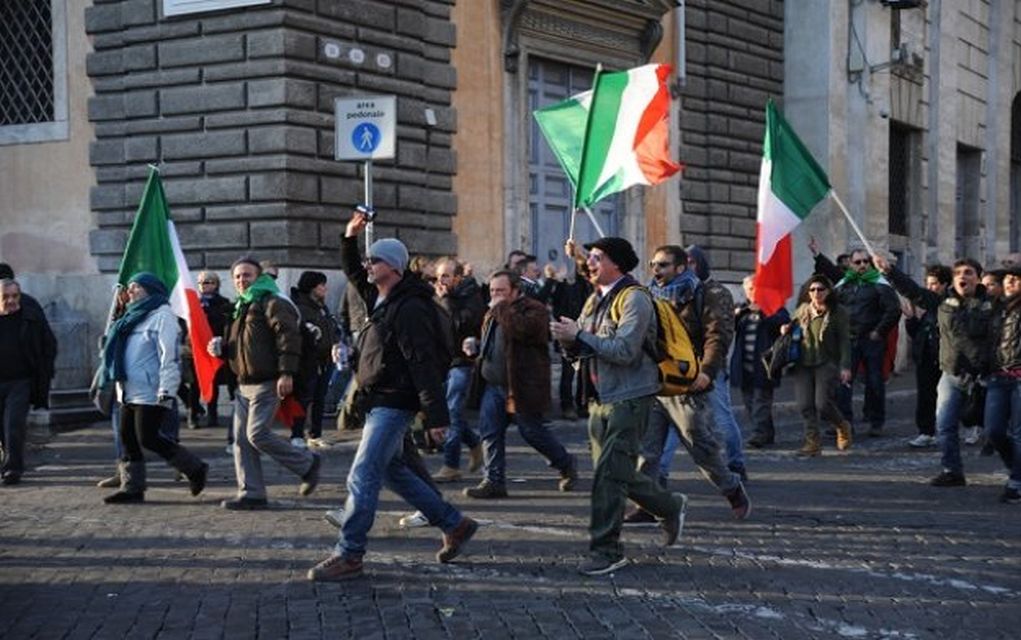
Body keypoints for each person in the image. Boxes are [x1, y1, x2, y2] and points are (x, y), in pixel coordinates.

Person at [308, 210, 478, 582]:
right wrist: (349, 237)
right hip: (379, 398)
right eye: (370, 260)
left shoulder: (410, 307)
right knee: (393, 471)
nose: (369, 265)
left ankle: (350, 553)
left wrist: (436, 417)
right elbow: (354, 271)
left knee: (363, 473)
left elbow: (423, 363)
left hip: (395, 400)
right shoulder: (382, 296)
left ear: (396, 268)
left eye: (377, 260)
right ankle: (455, 524)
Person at [551, 237, 687, 576]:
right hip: (599, 398)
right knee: (614, 472)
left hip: (630, 397)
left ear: (617, 264)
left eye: (597, 258)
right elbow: (584, 350)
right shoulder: (594, 300)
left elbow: (625, 350)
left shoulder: (635, 299)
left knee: (609, 477)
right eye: (591, 257)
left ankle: (606, 550)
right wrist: (568, 341)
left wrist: (579, 336)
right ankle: (670, 505)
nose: (590, 263)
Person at [627, 245, 750, 525]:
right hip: (655, 382)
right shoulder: (648, 295)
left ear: (681, 268)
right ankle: (647, 504)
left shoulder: (710, 293)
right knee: (647, 450)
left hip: (689, 382)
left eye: (663, 265)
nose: (655, 270)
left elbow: (717, 336)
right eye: (653, 264)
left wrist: (706, 372)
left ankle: (731, 487)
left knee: (700, 445)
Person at [873, 253, 997, 486]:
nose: (963, 277)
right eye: (958, 273)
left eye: (968, 273)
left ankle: (1014, 470)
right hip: (950, 374)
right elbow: (913, 291)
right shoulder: (941, 303)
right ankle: (952, 470)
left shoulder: (991, 305)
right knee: (945, 425)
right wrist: (890, 271)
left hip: (983, 377)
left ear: (979, 278)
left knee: (997, 429)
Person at [212, 258, 321, 510]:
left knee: (257, 434)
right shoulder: (241, 306)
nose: (241, 280)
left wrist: (287, 373)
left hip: (268, 381)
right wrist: (220, 347)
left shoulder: (271, 301)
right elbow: (243, 346)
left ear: (259, 276)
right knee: (241, 441)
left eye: (247, 275)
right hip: (243, 384)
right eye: (237, 276)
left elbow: (288, 337)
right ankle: (252, 493)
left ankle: (307, 463)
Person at [463, 270, 578, 499]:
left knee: (532, 432)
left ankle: (565, 463)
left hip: (521, 386)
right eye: (493, 291)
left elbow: (524, 330)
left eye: (501, 291)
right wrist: (475, 344)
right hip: (493, 384)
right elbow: (494, 340)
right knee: (490, 431)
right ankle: (494, 481)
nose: (495, 296)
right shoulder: (494, 312)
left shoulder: (534, 310)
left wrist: (501, 308)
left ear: (515, 291)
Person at [99, 273, 208, 503]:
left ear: (150, 289)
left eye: (136, 287)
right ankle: (133, 489)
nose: (130, 292)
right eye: (129, 288)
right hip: (127, 389)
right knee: (127, 437)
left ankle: (195, 468)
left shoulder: (163, 316)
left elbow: (169, 358)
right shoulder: (129, 317)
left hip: (151, 390)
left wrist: (167, 391)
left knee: (148, 437)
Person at [810, 240, 901, 437]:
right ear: (851, 264)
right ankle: (843, 423)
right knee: (843, 383)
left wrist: (879, 331)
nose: (862, 265)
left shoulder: (879, 284)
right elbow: (832, 275)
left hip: (872, 341)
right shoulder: (845, 284)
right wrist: (818, 255)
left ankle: (876, 421)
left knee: (874, 381)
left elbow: (893, 310)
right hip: (848, 340)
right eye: (857, 262)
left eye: (865, 262)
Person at [686, 245, 747, 479]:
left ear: (700, 264)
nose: (688, 267)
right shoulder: (683, 291)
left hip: (710, 367)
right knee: (669, 420)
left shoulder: (717, 292)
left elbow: (719, 336)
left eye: (692, 262)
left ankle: (736, 463)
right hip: (683, 366)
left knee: (721, 416)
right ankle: (658, 472)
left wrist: (708, 367)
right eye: (685, 262)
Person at [784, 275, 853, 456]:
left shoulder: (838, 312)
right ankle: (812, 442)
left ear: (828, 291)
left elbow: (845, 340)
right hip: (802, 363)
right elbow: (791, 326)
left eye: (820, 289)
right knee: (805, 404)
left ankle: (842, 425)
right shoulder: (803, 310)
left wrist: (845, 366)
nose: (816, 293)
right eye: (812, 290)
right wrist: (785, 329)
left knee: (822, 403)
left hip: (826, 361)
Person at [433, 258, 485, 482]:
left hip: (462, 361)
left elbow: (459, 324)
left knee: (453, 412)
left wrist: (445, 300)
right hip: (443, 361)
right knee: (450, 412)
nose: (441, 281)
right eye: (438, 277)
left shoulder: (470, 295)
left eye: (445, 276)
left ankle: (451, 464)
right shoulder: (439, 297)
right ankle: (474, 444)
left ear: (458, 277)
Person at [0, 278, 57, 485]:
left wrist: (43, 373)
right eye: (5, 297)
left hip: (20, 381)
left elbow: (48, 345)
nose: (11, 301)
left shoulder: (31, 318)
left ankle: (13, 468)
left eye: (15, 296)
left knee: (13, 424)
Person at [732, 274, 790, 448]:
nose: (753, 292)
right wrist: (735, 315)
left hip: (765, 364)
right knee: (750, 402)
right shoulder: (743, 310)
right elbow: (729, 328)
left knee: (760, 401)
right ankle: (767, 432)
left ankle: (759, 434)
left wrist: (763, 312)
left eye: (756, 288)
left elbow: (784, 321)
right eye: (750, 289)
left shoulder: (772, 307)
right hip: (744, 365)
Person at [904, 265, 951, 448]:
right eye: (928, 284)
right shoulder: (928, 310)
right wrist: (911, 319)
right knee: (925, 396)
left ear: (944, 285)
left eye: (934, 284)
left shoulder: (947, 304)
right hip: (926, 357)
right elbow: (918, 334)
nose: (930, 288)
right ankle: (926, 432)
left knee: (950, 398)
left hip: (945, 358)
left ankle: (969, 426)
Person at [290, 270, 338, 449]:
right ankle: (297, 434)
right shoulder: (300, 307)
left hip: (325, 359)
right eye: (321, 285)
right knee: (304, 397)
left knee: (319, 397)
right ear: (312, 287)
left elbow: (329, 328)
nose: (325, 288)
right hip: (308, 361)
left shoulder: (321, 306)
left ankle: (315, 434)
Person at [986, 265, 1021, 503]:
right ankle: (1016, 469)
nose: (1011, 283)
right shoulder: (997, 308)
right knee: (994, 430)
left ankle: (1017, 481)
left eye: (1017, 280)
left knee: (1019, 433)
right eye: (1008, 279)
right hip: (998, 376)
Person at [193, 271, 235, 435]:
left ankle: (212, 413)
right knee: (196, 383)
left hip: (217, 346)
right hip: (197, 348)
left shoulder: (224, 303)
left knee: (215, 381)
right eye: (202, 282)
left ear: (216, 284)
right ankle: (193, 413)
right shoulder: (193, 303)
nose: (205, 285)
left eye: (209, 282)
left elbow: (225, 323)